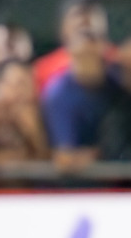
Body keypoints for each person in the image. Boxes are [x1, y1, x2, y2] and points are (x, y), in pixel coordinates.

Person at [41, 31, 124, 172]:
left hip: (119, 180)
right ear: (71, 55)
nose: (89, 62)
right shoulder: (59, 94)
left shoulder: (116, 86)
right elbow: (65, 159)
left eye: (94, 56)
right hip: (74, 185)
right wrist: (105, 152)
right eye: (83, 56)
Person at [0, 60, 48, 168]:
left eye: (21, 84)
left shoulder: (37, 112)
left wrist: (31, 130)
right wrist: (17, 157)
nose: (15, 91)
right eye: (9, 83)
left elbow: (43, 158)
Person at [33, 0, 111, 95]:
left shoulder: (120, 61)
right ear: (63, 27)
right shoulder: (42, 70)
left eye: (92, 13)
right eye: (77, 14)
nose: (85, 19)